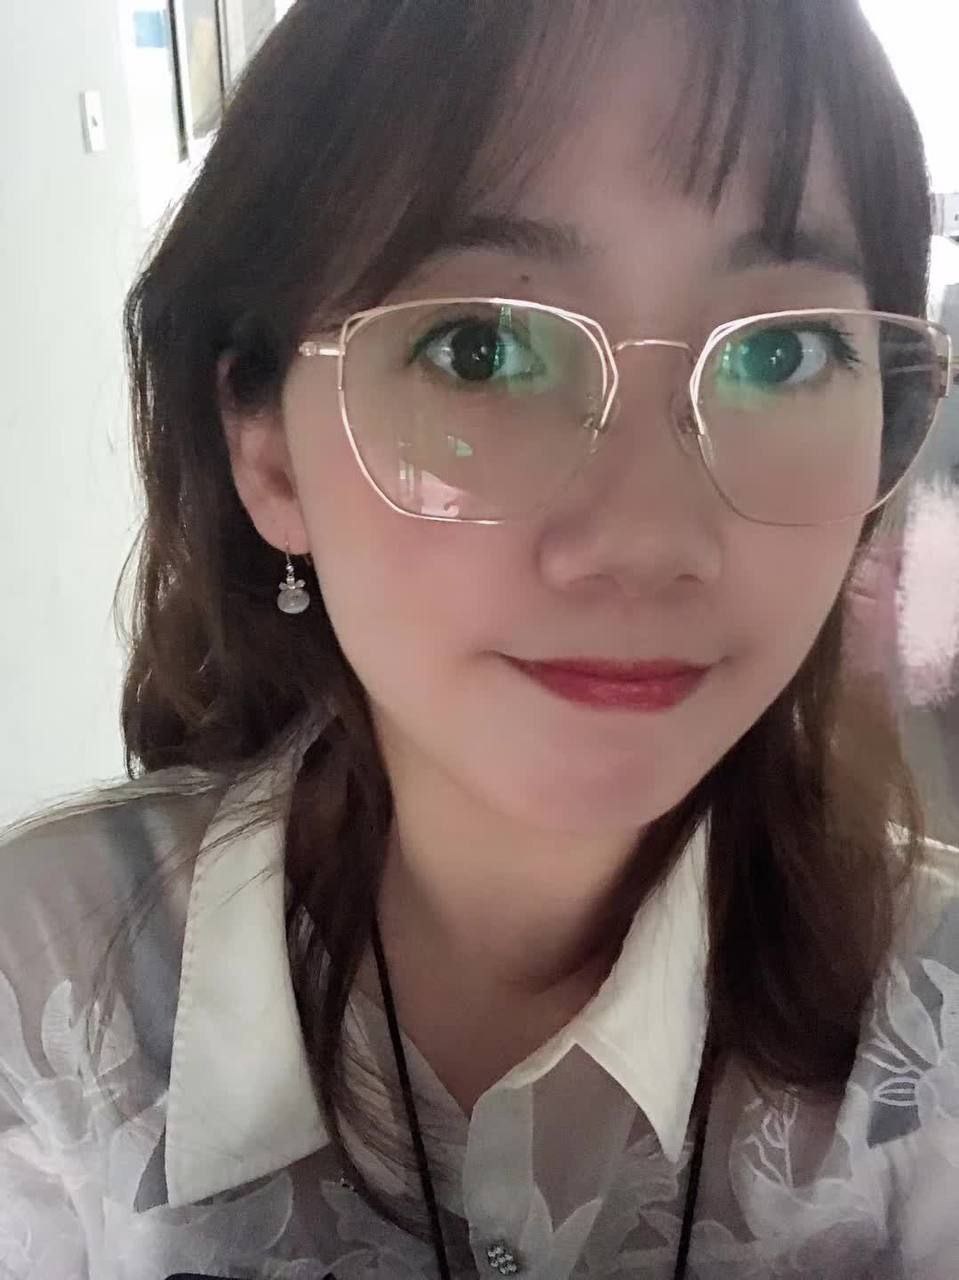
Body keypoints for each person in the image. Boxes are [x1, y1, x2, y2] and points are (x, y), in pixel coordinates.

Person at [1, 3, 957, 1277]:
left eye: (779, 354)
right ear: (265, 449)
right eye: (481, 346)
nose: (645, 539)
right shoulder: (42, 995)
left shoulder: (932, 1034)